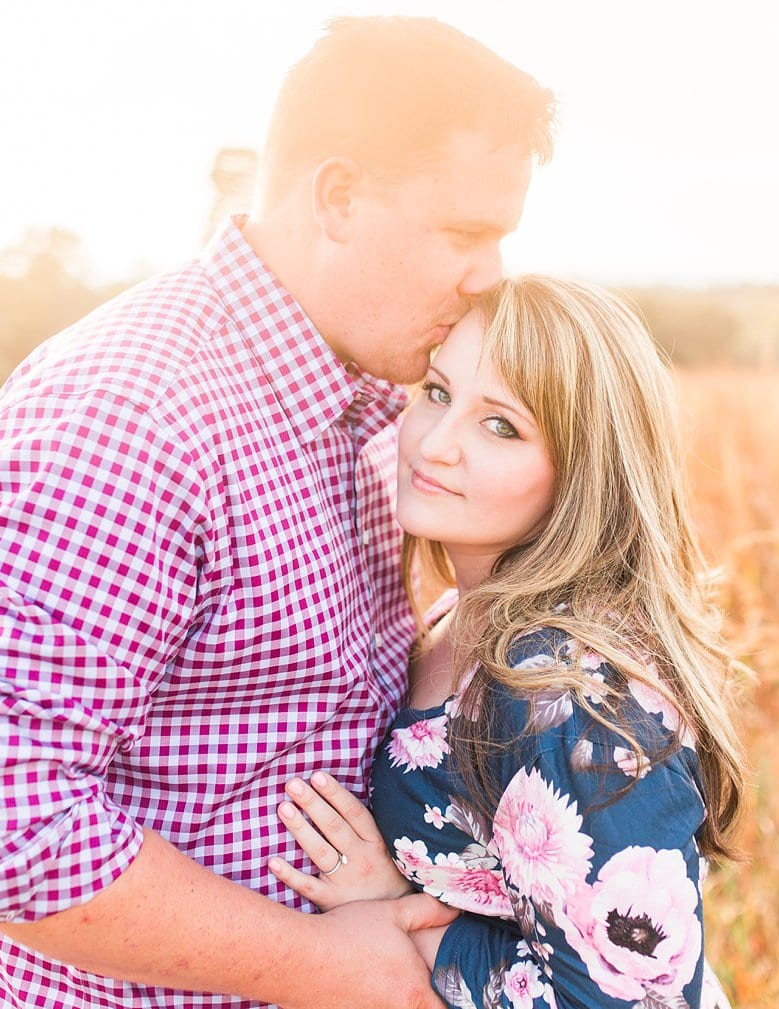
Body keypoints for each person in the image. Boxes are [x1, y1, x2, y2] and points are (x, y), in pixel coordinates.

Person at [0, 17, 554, 1009]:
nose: (489, 274)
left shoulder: (378, 401)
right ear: (338, 197)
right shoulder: (131, 412)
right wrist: (326, 966)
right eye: (465, 232)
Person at [265, 276, 749, 1009]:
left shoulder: (563, 690)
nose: (435, 442)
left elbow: (632, 1002)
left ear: (580, 474)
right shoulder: (462, 616)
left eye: (500, 426)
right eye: (435, 391)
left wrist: (404, 926)